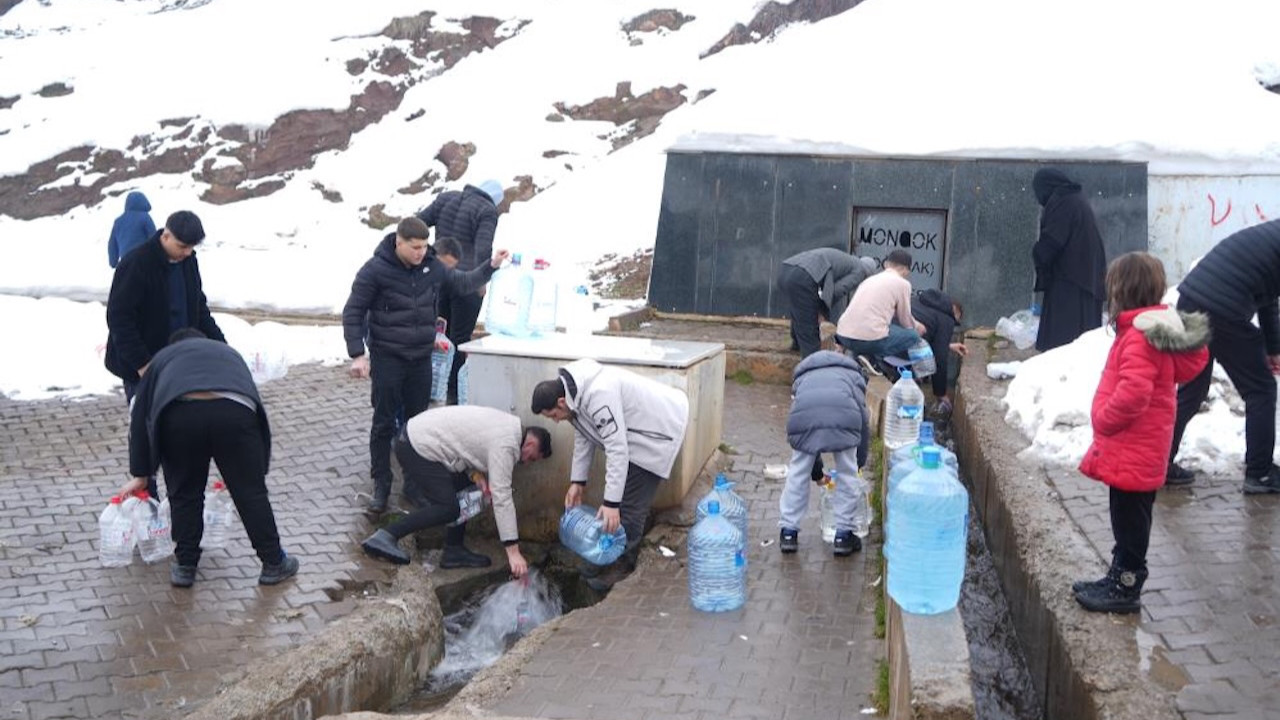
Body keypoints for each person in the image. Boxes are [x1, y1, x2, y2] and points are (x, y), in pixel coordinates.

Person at [342, 217, 508, 514]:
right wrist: (358, 353)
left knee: (418, 426)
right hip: (388, 357)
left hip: (420, 359)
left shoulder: (432, 266)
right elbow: (353, 311)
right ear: (399, 242)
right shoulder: (375, 271)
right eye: (415, 247)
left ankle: (413, 485)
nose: (420, 252)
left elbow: (462, 282)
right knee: (383, 423)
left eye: (423, 246)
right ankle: (381, 484)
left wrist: (491, 266)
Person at [1072, 252, 1208, 613]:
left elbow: (1134, 392)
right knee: (1129, 514)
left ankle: (1126, 585)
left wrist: (1104, 417)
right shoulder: (1150, 332)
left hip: (1133, 445)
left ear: (1123, 292)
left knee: (1130, 519)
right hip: (1140, 446)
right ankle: (1118, 573)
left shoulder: (1139, 337)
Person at [115, 329, 299, 589]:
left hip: (180, 415)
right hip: (234, 412)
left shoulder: (163, 359)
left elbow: (140, 416)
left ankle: (185, 566)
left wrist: (141, 474)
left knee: (185, 493)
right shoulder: (228, 353)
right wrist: (247, 471)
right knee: (249, 493)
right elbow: (254, 403)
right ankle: (273, 563)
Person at [531, 359, 690, 591]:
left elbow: (617, 448)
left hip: (658, 430)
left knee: (629, 506)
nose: (555, 420)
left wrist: (611, 503)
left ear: (561, 401)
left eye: (553, 414)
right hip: (635, 434)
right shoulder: (575, 398)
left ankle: (623, 565)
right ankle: (609, 556)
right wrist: (577, 482)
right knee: (620, 504)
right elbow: (584, 437)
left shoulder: (599, 394)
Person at [105, 209, 225, 500]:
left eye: (191, 248)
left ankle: (181, 498)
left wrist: (222, 348)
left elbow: (198, 307)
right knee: (146, 431)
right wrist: (142, 364)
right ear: (166, 235)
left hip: (180, 363)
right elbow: (119, 319)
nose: (186, 253)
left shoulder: (188, 262)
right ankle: (148, 497)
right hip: (142, 366)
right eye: (182, 246)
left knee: (177, 429)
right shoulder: (136, 263)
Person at [359, 406, 553, 574]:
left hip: (418, 438)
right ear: (530, 444)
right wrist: (513, 553)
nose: (527, 463)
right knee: (448, 507)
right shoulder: (507, 444)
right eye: (532, 458)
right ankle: (386, 535)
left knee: (468, 490)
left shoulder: (508, 427)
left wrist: (476, 476)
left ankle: (453, 550)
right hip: (415, 446)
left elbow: (463, 446)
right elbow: (502, 497)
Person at [1166, 219, 1280, 492]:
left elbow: (1268, 295)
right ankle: (1260, 473)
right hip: (1222, 310)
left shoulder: (1271, 236)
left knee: (1192, 391)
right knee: (1261, 389)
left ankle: (1157, 462)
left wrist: (1273, 347)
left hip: (1193, 298)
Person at [416, 180, 505, 404]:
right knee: (459, 339)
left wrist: (426, 255)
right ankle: (453, 394)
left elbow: (418, 223)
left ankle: (429, 385)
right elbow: (484, 246)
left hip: (439, 276)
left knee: (438, 334)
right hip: (466, 282)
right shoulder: (487, 211)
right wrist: (481, 280)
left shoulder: (447, 198)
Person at [778, 351, 871, 556]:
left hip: (804, 418)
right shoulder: (853, 376)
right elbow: (863, 423)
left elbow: (810, 436)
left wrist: (817, 473)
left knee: (797, 471)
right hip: (845, 416)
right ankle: (843, 536)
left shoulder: (803, 377)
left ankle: (788, 532)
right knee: (847, 472)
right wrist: (859, 463)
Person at [1030, 168, 1107, 352]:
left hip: (1072, 280)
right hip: (1084, 277)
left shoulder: (1063, 202)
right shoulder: (1074, 199)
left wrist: (1038, 253)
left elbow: (1053, 240)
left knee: (1064, 339)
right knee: (1081, 336)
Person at [776, 248, 878, 357]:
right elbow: (837, 291)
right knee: (810, 328)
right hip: (804, 275)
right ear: (869, 275)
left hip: (786, 269)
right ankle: (812, 365)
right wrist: (822, 311)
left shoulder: (847, 261)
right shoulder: (860, 271)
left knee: (800, 312)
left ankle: (796, 346)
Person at [835, 249, 926, 369]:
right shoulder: (902, 284)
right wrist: (918, 327)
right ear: (905, 270)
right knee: (912, 336)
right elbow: (906, 321)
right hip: (867, 340)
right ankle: (876, 362)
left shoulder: (870, 280)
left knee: (881, 329)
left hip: (843, 335)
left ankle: (861, 356)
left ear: (886, 264)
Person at [910, 289, 969, 416]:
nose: (953, 326)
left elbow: (928, 337)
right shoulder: (946, 318)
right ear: (955, 312)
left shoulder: (917, 302)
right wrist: (940, 393)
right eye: (956, 322)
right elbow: (940, 358)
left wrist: (948, 345)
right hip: (907, 351)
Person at [107, 191, 156, 268]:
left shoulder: (118, 222)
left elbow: (112, 244)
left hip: (125, 263)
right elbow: (154, 238)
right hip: (144, 261)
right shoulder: (145, 217)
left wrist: (113, 262)